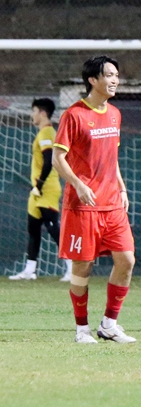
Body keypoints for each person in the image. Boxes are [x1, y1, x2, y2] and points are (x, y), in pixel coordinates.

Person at [53, 56, 136, 344]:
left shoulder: (114, 114)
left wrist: (122, 188)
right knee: (83, 267)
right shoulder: (73, 115)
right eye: (109, 75)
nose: (115, 80)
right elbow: (58, 158)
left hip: (112, 204)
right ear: (93, 80)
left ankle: (109, 324)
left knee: (126, 259)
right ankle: (81, 329)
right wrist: (77, 184)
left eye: (117, 74)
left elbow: (111, 159)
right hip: (83, 206)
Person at [9, 98, 72, 282]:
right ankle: (30, 270)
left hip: (47, 189)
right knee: (33, 228)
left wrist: (39, 184)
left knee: (53, 229)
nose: (32, 115)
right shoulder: (45, 132)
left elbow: (49, 159)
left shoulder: (46, 132)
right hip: (38, 190)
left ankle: (72, 268)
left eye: (34, 111)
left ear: (42, 113)